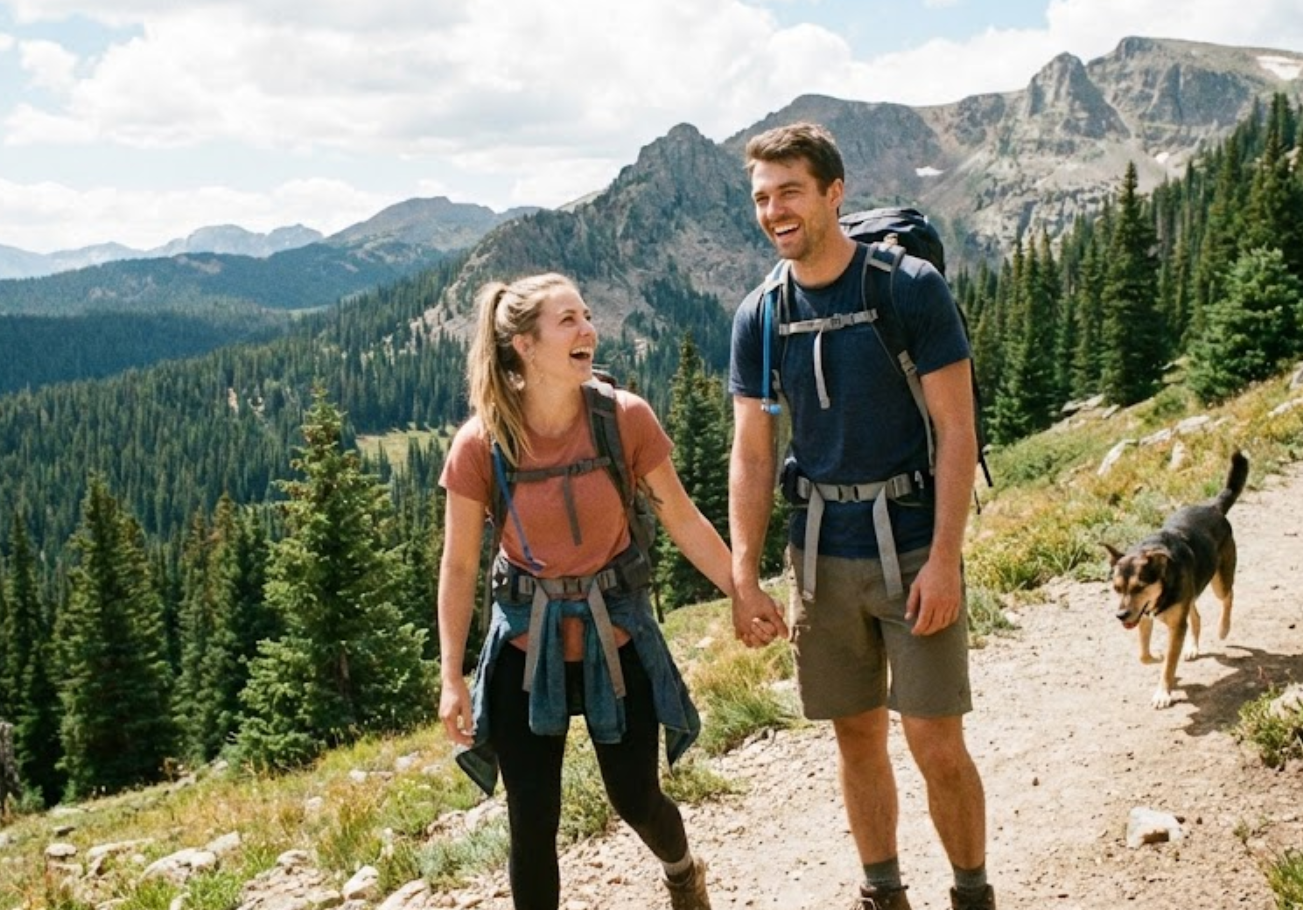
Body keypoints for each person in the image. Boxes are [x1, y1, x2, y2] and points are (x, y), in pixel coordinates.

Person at [726, 122, 995, 910]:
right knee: (854, 736)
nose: (774, 211)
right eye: (761, 198)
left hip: (913, 545)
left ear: (832, 193)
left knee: (934, 739)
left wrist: (945, 558)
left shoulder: (907, 287)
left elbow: (956, 430)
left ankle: (971, 893)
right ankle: (883, 892)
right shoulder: (760, 313)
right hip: (820, 552)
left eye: (789, 193)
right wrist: (743, 572)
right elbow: (750, 451)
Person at [438, 272, 730, 910]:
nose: (588, 330)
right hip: (524, 646)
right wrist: (452, 677)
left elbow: (682, 518)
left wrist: (744, 591)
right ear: (524, 343)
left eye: (588, 316)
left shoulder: (623, 420)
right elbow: (458, 566)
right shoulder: (480, 444)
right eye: (568, 320)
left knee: (635, 798)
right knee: (532, 822)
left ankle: (682, 870)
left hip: (616, 636)